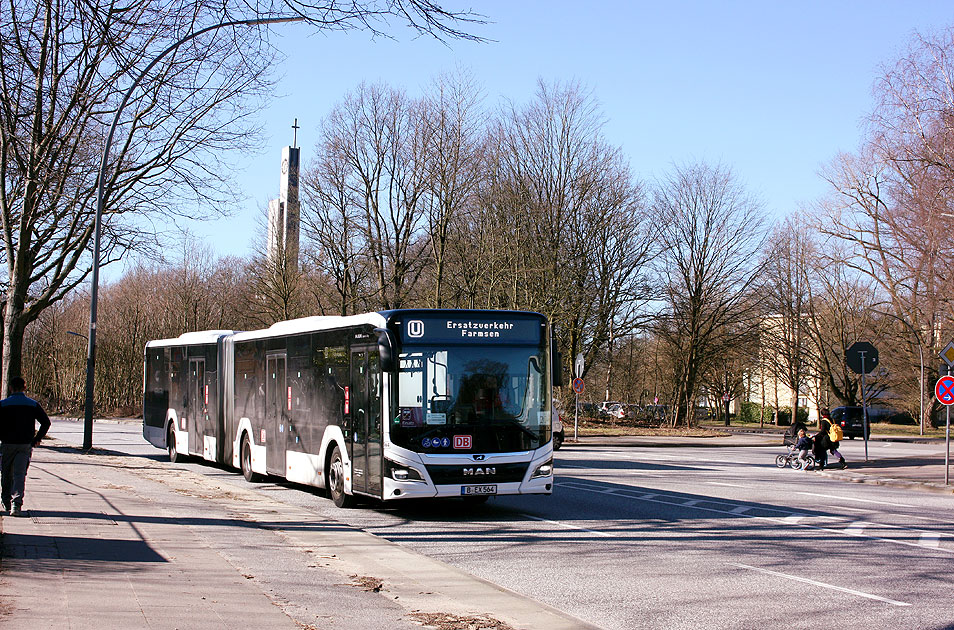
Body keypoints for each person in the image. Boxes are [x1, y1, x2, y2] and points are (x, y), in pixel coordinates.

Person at [0, 377, 51, 516]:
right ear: (24, 388)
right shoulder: (32, 404)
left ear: (10, 388)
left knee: (6, 474)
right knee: (19, 474)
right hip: (25, 444)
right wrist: (36, 439)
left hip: (7, 444)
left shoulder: (3, 404)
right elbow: (46, 422)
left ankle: (6, 502)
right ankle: (17, 505)